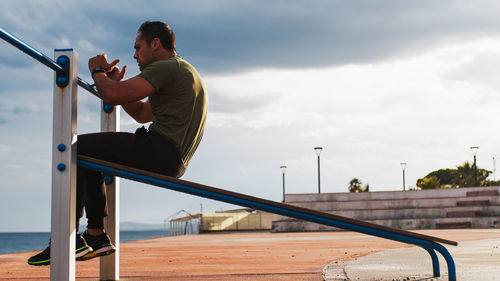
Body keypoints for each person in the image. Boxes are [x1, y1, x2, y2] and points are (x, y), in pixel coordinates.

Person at [28, 20, 207, 266]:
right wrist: (112, 84)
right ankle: (96, 236)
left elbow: (112, 95)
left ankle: (74, 238)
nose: (134, 55)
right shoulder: (183, 70)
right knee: (91, 156)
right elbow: (143, 113)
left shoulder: (166, 67)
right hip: (172, 158)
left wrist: (97, 71)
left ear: (156, 44)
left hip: (159, 149)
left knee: (75, 148)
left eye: (138, 47)